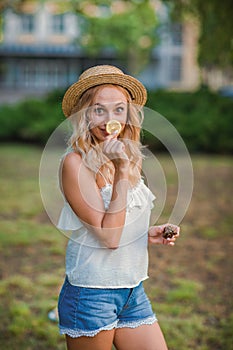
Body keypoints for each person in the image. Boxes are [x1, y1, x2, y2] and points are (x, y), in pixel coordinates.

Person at [57, 65, 180, 350]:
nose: (109, 119)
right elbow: (109, 237)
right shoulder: (74, 163)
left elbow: (119, 222)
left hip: (132, 289)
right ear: (84, 114)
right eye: (98, 109)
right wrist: (121, 170)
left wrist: (148, 232)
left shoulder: (128, 157)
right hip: (91, 293)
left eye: (118, 109)